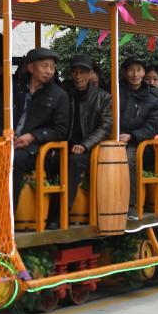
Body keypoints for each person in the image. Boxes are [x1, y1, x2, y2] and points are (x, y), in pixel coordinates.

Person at [11, 48, 70, 222]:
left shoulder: (59, 95)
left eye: (52, 67)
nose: (49, 71)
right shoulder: (15, 89)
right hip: (9, 140)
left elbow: (60, 130)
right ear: (31, 68)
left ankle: (8, 219)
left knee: (13, 160)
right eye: (45, 66)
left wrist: (32, 136)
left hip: (39, 148)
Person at [62, 54, 112, 208]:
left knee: (74, 161)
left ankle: (64, 210)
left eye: (83, 72)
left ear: (90, 74)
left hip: (90, 148)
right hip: (63, 144)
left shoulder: (103, 97)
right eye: (75, 72)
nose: (78, 76)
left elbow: (106, 126)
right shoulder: (63, 93)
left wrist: (85, 144)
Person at [119, 58, 158, 219]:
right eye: (131, 70)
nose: (135, 74)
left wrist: (132, 136)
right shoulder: (116, 90)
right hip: (115, 137)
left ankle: (131, 205)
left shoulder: (154, 95)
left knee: (128, 159)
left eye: (139, 70)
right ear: (125, 72)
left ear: (144, 73)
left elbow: (153, 126)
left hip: (141, 142)